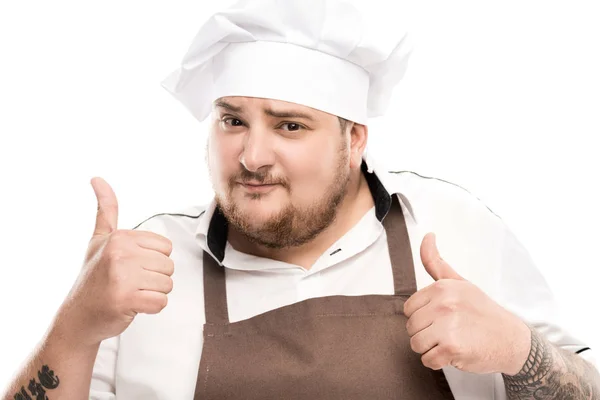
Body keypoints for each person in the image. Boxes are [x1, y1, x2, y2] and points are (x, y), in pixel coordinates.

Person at [3, 0, 599, 399]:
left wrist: (521, 353)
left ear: (355, 139)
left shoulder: (454, 229)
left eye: (289, 126)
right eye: (232, 121)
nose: (252, 156)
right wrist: (75, 327)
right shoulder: (142, 267)